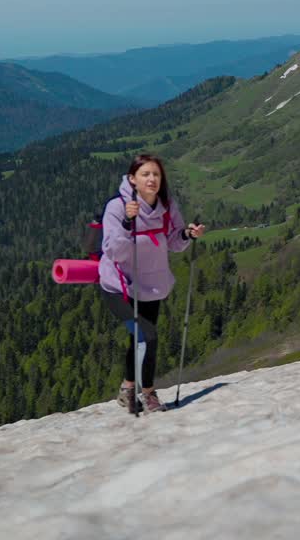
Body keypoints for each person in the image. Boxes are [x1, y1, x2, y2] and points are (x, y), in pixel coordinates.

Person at [98, 154, 205, 412]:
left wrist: (188, 234)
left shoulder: (167, 206)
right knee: (148, 336)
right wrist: (127, 222)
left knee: (139, 338)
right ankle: (148, 395)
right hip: (118, 286)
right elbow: (114, 251)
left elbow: (173, 241)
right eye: (145, 174)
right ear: (132, 179)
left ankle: (127, 389)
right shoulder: (117, 207)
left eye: (156, 174)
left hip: (150, 286)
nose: (152, 179)